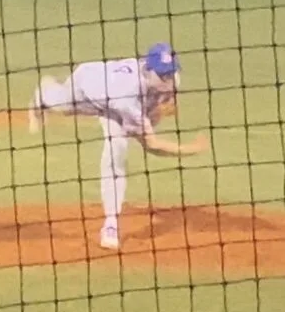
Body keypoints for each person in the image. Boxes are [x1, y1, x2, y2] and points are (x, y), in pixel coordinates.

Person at [27, 43, 209, 250]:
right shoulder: (125, 96)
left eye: (170, 73)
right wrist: (191, 149)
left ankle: (110, 225)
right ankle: (43, 95)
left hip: (114, 98)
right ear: (148, 71)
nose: (168, 79)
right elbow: (152, 145)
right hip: (87, 86)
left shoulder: (170, 79)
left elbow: (159, 109)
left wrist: (161, 109)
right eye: (163, 75)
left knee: (116, 150)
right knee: (62, 106)